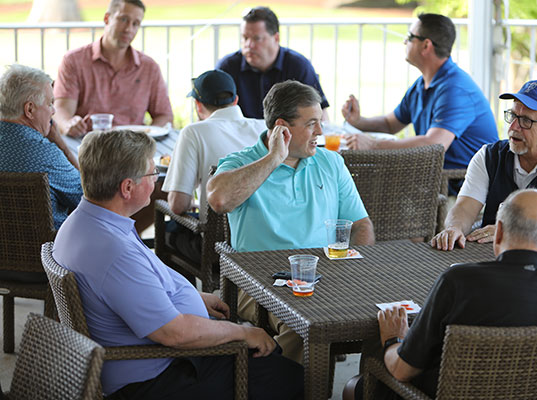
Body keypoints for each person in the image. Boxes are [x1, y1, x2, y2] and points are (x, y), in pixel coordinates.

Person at [52, 129, 303, 400]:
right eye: (151, 174)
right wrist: (242, 332)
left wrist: (191, 296)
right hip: (158, 375)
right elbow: (175, 333)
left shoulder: (88, 221)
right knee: (293, 378)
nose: (156, 179)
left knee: (274, 361)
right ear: (127, 188)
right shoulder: (112, 250)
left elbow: (131, 288)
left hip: (153, 361)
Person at [348, 189, 537, 399]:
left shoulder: (459, 283)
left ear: (498, 233)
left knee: (358, 385)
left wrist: (393, 339)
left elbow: (402, 371)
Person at [207, 80, 375, 363]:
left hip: (324, 277)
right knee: (304, 326)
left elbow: (361, 225)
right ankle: (284, 384)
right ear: (282, 127)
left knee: (391, 314)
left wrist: (350, 272)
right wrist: (274, 158)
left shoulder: (331, 163)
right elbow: (219, 199)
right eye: (311, 124)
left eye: (320, 122)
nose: (320, 131)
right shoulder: (241, 163)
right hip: (258, 281)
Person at [432, 80, 537, 251]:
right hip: (491, 259)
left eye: (526, 121)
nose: (513, 127)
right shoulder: (488, 156)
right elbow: (464, 207)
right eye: (512, 116)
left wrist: (514, 232)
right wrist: (455, 227)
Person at [341, 13, 498, 194]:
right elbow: (389, 124)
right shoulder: (422, 84)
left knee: (368, 188)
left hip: (462, 185)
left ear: (426, 45)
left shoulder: (456, 89)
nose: (404, 42)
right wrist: (358, 122)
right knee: (360, 183)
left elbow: (434, 144)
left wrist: (373, 145)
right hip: (434, 178)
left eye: (409, 37)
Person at [161, 69, 266, 262]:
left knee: (169, 232)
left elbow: (177, 204)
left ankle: (185, 293)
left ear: (198, 105)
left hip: (218, 251)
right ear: (235, 101)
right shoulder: (264, 128)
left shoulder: (194, 132)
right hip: (263, 246)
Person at [53, 0, 173, 137]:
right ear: (107, 18)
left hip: (133, 149)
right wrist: (69, 124)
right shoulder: (74, 61)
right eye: (123, 19)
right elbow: (62, 110)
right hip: (88, 146)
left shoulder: (149, 68)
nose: (129, 29)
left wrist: (148, 136)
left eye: (135, 24)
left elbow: (164, 116)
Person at [0, 64, 82, 230]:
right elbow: (87, 198)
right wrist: (61, 145)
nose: (53, 111)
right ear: (30, 109)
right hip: (48, 253)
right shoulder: (44, 154)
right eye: (50, 103)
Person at [216, 6, 330, 120]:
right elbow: (212, 116)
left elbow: (320, 113)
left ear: (276, 38)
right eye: (245, 38)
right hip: (239, 136)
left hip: (288, 136)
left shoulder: (298, 66)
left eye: (257, 38)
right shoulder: (227, 67)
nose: (249, 45)